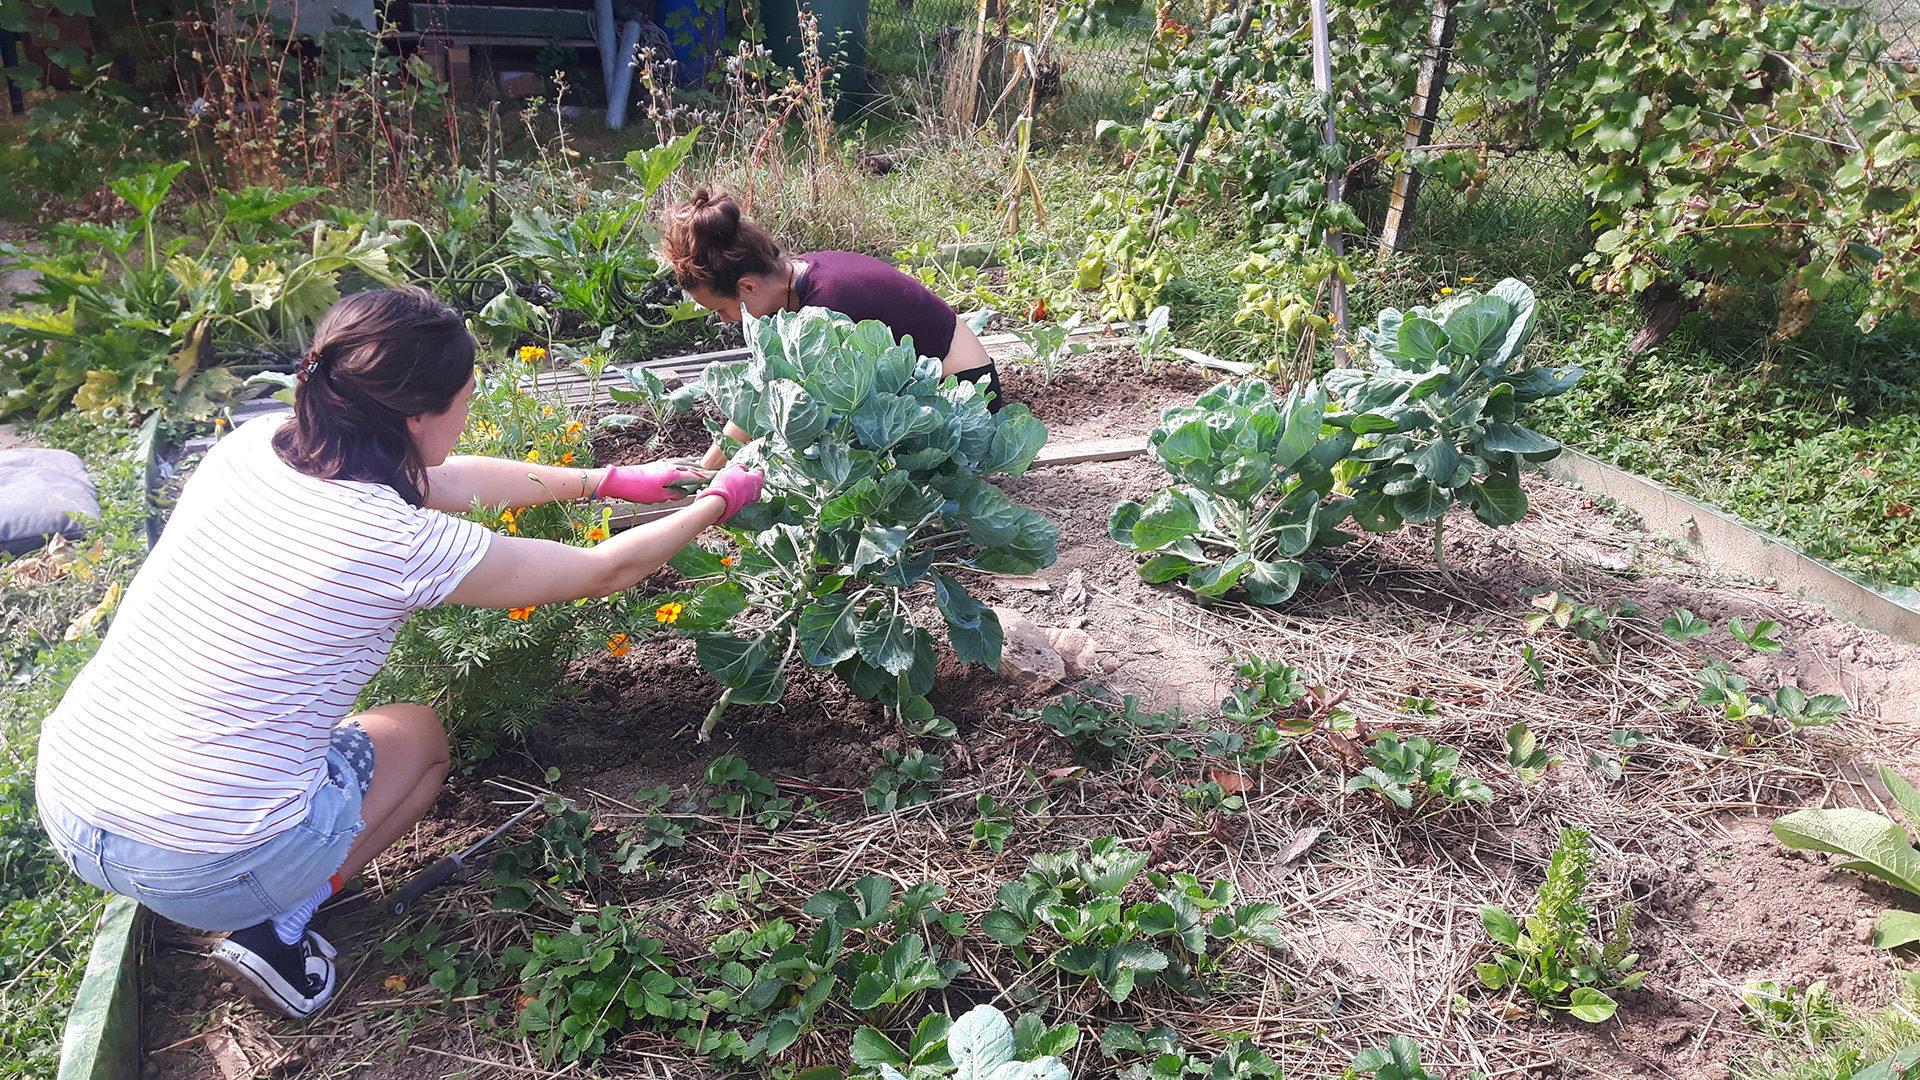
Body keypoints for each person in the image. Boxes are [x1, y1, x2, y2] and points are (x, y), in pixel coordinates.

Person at [33, 287, 762, 1020]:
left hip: (70, 798)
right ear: (416, 414)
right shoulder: (394, 541)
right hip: (204, 867)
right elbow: (602, 570)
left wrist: (604, 480)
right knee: (417, 736)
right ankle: (277, 928)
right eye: (466, 399)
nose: (468, 413)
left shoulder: (251, 450)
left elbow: (445, 480)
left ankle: (244, 875)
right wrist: (717, 501)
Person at [661, 185, 1005, 468]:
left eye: (722, 308)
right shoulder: (803, 272)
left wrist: (706, 472)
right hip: (925, 395)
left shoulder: (829, 304)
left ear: (748, 286)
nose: (725, 320)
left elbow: (768, 398)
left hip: (961, 404)